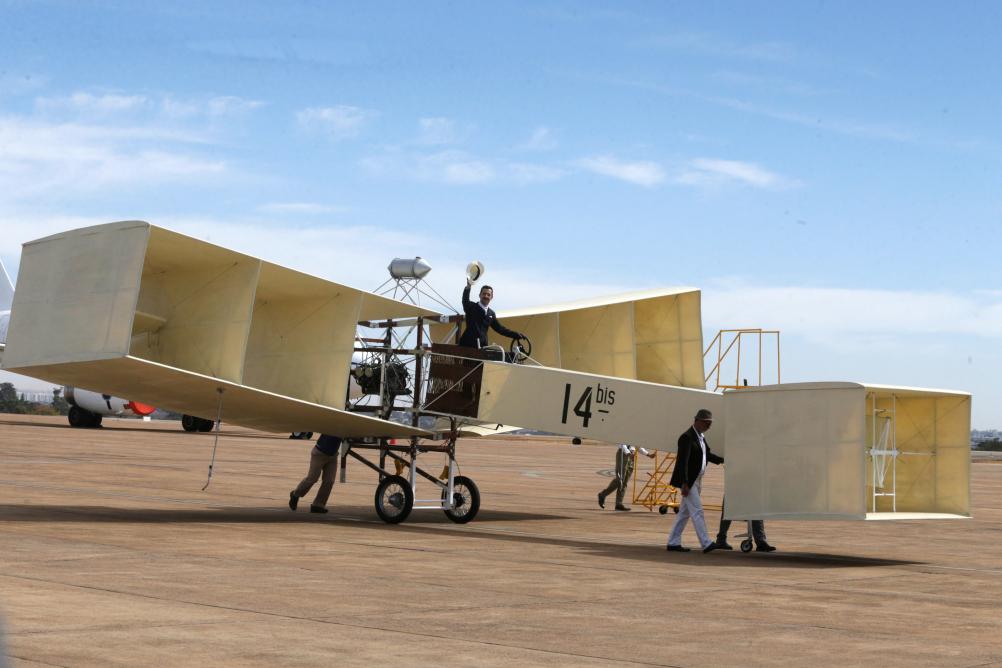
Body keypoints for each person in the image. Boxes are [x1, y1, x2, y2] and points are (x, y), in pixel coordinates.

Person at [666, 409, 724, 554]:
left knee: (684, 513)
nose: (709, 426)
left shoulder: (700, 436)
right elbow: (682, 462)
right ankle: (706, 543)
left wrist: (723, 460)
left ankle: (673, 542)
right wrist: (684, 483)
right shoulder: (686, 437)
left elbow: (707, 454)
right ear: (697, 421)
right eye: (707, 423)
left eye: (710, 423)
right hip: (689, 482)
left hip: (697, 480)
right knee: (697, 511)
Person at [459, 279, 523, 348]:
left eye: (488, 295)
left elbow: (500, 329)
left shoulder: (491, 314)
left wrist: (515, 334)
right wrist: (468, 286)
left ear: (491, 297)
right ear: (480, 295)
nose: (486, 296)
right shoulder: (471, 307)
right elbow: (465, 300)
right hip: (467, 347)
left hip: (482, 348)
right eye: (484, 294)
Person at [289, 434, 342, 514]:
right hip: (319, 453)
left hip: (333, 455)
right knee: (312, 478)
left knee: (329, 481)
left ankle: (318, 505)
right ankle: (295, 494)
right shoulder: (332, 426)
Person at [598, 443, 655, 511]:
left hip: (631, 456)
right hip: (623, 454)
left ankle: (619, 503)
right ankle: (603, 494)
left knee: (624, 482)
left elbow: (638, 446)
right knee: (620, 479)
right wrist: (628, 453)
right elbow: (622, 444)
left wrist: (648, 454)